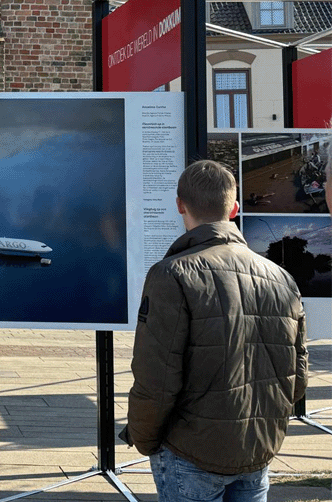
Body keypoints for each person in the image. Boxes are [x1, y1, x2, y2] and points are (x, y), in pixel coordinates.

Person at [121, 159, 308, 502]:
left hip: (191, 452)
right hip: (257, 448)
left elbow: (156, 376)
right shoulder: (282, 279)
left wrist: (145, 439)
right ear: (234, 208)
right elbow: (298, 376)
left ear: (180, 205)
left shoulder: (172, 274)